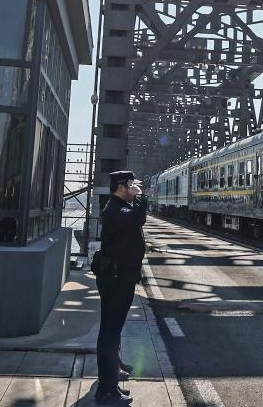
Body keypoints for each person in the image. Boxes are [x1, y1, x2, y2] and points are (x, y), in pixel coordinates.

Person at [94, 170, 147, 406]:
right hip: (116, 279)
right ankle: (106, 391)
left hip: (118, 278)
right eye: (131, 185)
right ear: (122, 187)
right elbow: (138, 219)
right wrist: (140, 196)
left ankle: (110, 383)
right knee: (110, 332)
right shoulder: (117, 208)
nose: (134, 188)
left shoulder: (117, 207)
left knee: (111, 332)